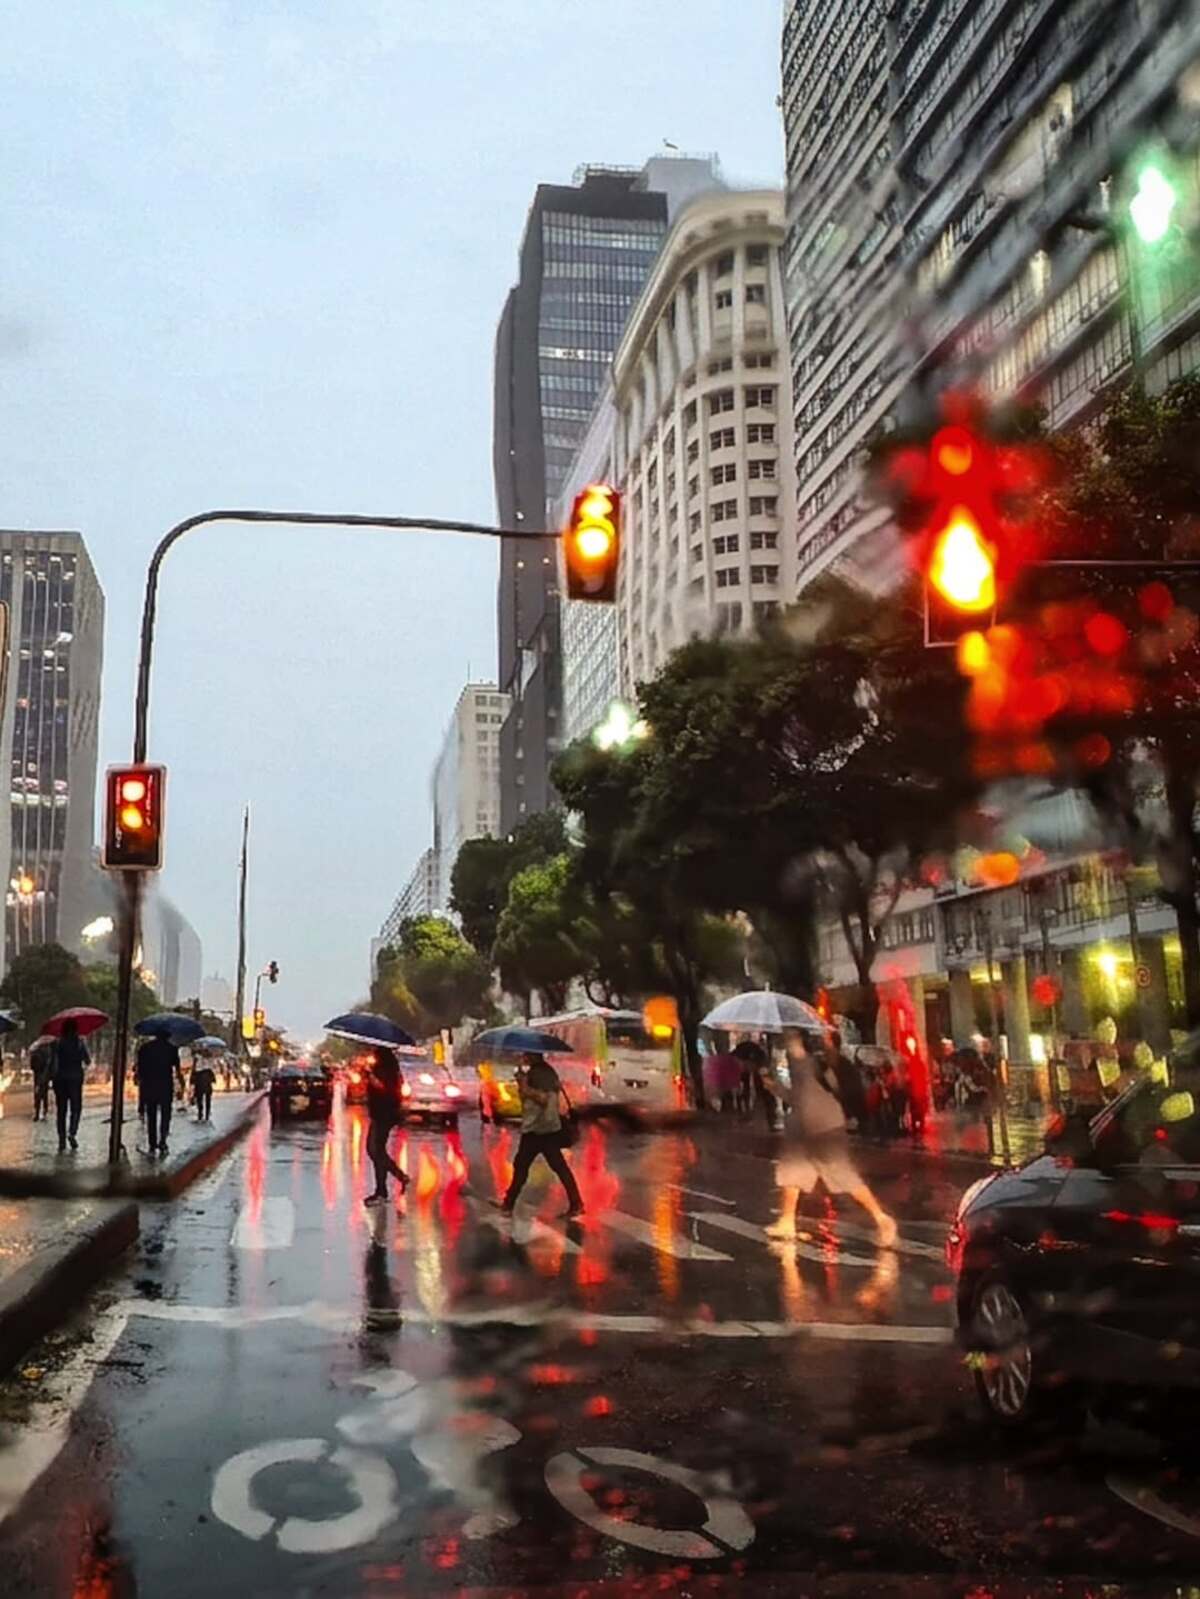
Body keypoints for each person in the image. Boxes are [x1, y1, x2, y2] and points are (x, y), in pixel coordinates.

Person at [766, 1028, 897, 1245]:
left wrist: (776, 1087)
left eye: (790, 1038)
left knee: (840, 1173)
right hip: (811, 1126)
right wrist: (776, 1088)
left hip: (819, 1127)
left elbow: (805, 1097)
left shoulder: (804, 1061)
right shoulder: (816, 1063)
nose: (786, 1042)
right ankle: (787, 1220)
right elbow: (802, 1096)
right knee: (793, 1172)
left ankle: (882, 1219)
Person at [497, 1051, 583, 1218]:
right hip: (545, 1127)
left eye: (527, 1054)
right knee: (558, 1167)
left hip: (538, 1129)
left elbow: (544, 1099)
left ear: (533, 1056)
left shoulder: (540, 1074)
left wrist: (524, 1086)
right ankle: (576, 1203)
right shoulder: (545, 1072)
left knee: (522, 1166)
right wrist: (522, 1082)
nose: (524, 1056)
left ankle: (508, 1204)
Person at [364, 1046, 410, 1207]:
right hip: (380, 1112)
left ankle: (394, 1181)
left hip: (384, 1113)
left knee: (375, 1150)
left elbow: (383, 1087)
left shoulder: (386, 1067)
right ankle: (382, 1190)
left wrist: (370, 1075)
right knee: (376, 1151)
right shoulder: (386, 1065)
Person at [137, 1025, 182, 1156]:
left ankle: (152, 1143)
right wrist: (181, 1084)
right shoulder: (172, 1049)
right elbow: (177, 1069)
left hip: (149, 1085)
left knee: (151, 1115)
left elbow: (140, 1068)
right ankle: (162, 1140)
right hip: (165, 1086)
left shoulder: (145, 1048)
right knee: (165, 1115)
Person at [51, 1018, 89, 1153]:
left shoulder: (57, 1043)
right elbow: (87, 1060)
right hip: (75, 1079)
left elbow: (53, 1061)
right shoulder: (80, 1043)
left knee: (61, 1110)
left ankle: (61, 1138)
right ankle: (72, 1132)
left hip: (60, 1079)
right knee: (76, 1108)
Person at [826, 1031, 867, 1131]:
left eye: (827, 1040)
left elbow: (841, 1086)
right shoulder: (840, 1062)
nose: (825, 1043)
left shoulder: (839, 1062)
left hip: (844, 1107)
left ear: (832, 1042)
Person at [30, 1036, 54, 1122]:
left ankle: (37, 1113)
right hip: (46, 1076)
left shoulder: (36, 1052)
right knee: (45, 1095)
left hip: (37, 1076)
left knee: (37, 1095)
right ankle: (45, 1112)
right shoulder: (50, 1052)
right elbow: (52, 1066)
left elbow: (32, 1066)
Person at [192, 1056, 215, 1122]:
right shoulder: (208, 1067)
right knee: (207, 1100)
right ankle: (206, 1115)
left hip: (200, 1085)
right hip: (206, 1085)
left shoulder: (197, 1062)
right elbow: (213, 1079)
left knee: (200, 1100)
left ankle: (201, 1114)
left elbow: (193, 1076)